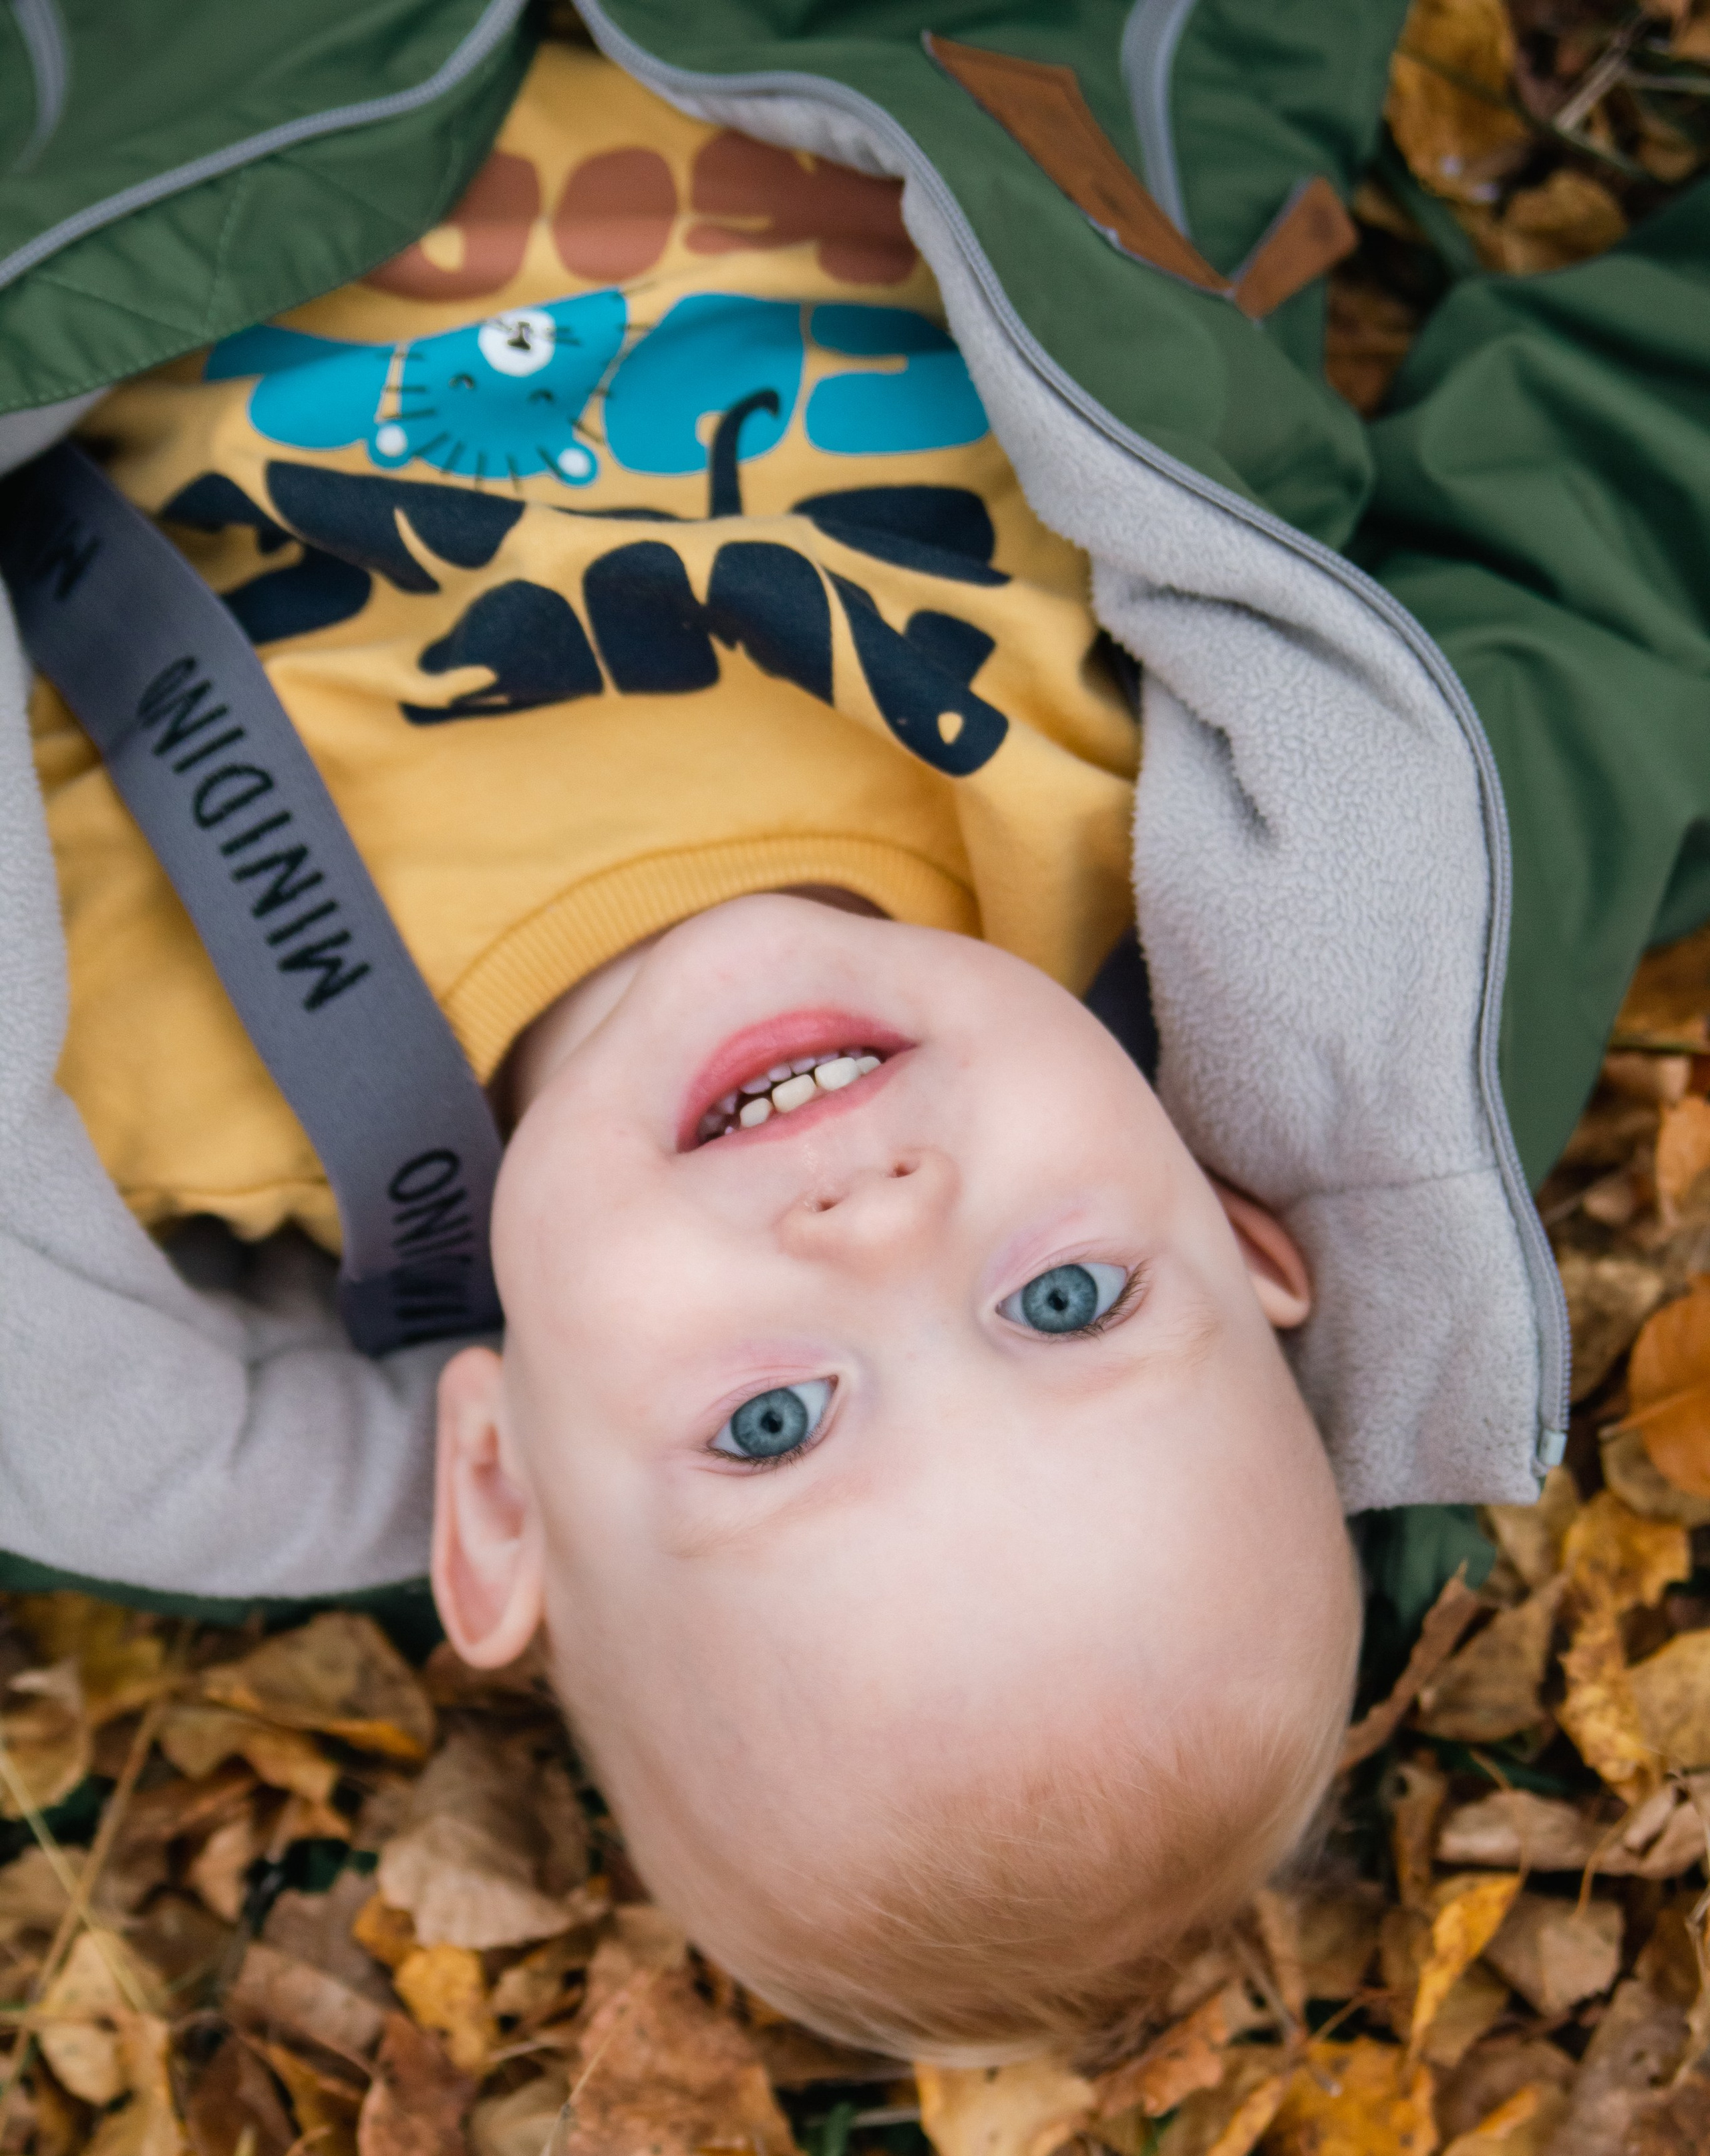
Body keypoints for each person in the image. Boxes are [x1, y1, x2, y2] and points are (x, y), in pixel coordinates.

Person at [22, 31, 1360, 2052]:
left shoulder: (138, 1059)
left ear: (496, 1485)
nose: (883, 1226)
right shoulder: (1170, 795)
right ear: (1246, 1227)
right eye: (1069, 1297)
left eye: (774, 1425)